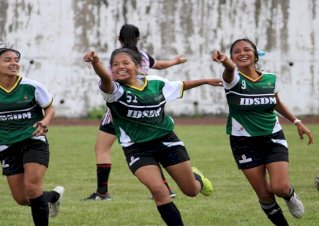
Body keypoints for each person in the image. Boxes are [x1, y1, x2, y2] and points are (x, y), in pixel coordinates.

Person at [84, 47, 218, 225]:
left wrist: (207, 80)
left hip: (167, 142)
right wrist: (96, 62)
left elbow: (181, 86)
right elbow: (105, 78)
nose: (120, 67)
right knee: (159, 191)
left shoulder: (156, 83)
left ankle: (197, 179)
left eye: (125, 63)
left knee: (191, 191)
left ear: (138, 66)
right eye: (115, 64)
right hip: (137, 148)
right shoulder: (114, 91)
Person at [212, 38, 314, 226]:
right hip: (243, 142)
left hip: (272, 137)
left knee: (279, 187)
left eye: (247, 50)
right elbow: (228, 69)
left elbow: (276, 102)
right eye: (236, 51)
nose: (242, 53)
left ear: (255, 54)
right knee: (265, 195)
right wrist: (224, 60)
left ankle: (289, 194)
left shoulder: (270, 79)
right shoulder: (232, 79)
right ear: (233, 57)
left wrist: (297, 121)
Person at [83, 24, 187, 201]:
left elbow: (108, 80)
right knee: (151, 145)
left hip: (120, 112)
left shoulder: (118, 57)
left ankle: (102, 192)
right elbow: (160, 65)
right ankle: (166, 189)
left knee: (102, 149)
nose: (121, 66)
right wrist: (176, 61)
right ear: (137, 38)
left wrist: (96, 63)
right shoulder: (143, 57)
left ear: (119, 38)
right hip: (146, 109)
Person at [0, 45, 64, 226]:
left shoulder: (31, 86)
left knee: (32, 186)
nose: (14, 63)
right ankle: (53, 196)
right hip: (6, 146)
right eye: (7, 60)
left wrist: (45, 122)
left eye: (16, 60)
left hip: (33, 141)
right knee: (22, 198)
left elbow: (49, 108)